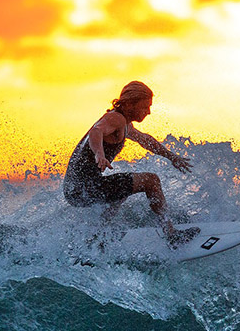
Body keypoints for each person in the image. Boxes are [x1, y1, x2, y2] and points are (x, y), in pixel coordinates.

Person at [63, 81, 199, 247]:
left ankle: (97, 239)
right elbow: (96, 131)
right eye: (144, 107)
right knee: (151, 181)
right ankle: (171, 234)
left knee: (124, 189)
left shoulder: (125, 124)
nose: (148, 112)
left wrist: (171, 156)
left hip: (76, 190)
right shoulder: (115, 118)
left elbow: (145, 140)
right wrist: (99, 153)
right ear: (128, 104)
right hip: (84, 187)